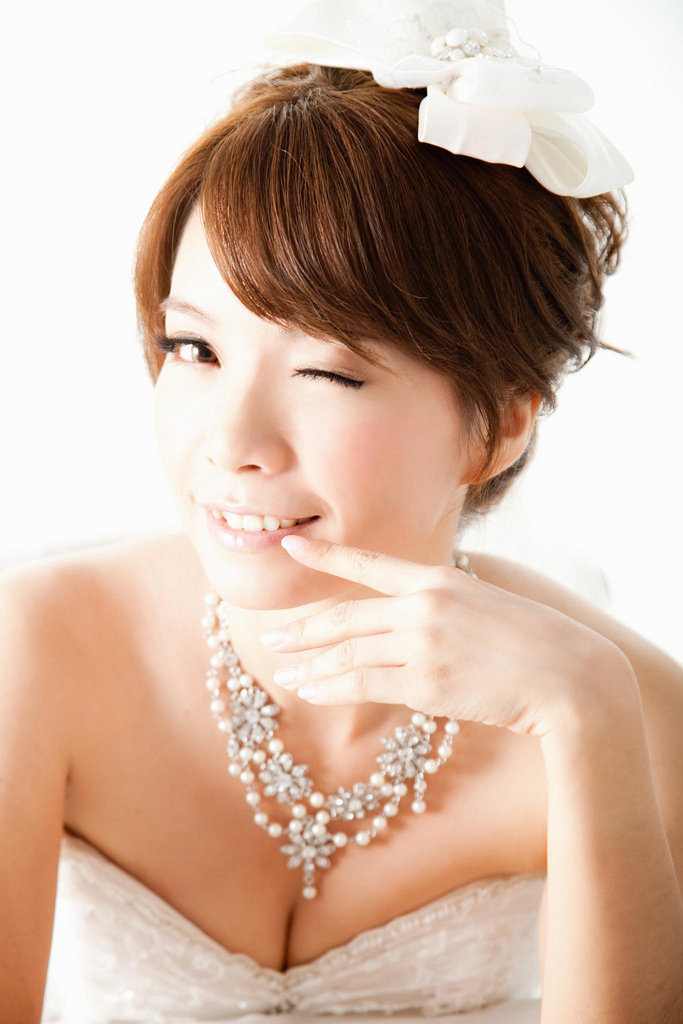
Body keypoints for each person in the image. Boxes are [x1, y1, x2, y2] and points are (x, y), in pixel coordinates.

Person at [2, 2, 682, 1022]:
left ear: (498, 426)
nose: (231, 442)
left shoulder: (626, 710)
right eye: (194, 348)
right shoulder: (35, 649)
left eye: (325, 372)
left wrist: (586, 719)